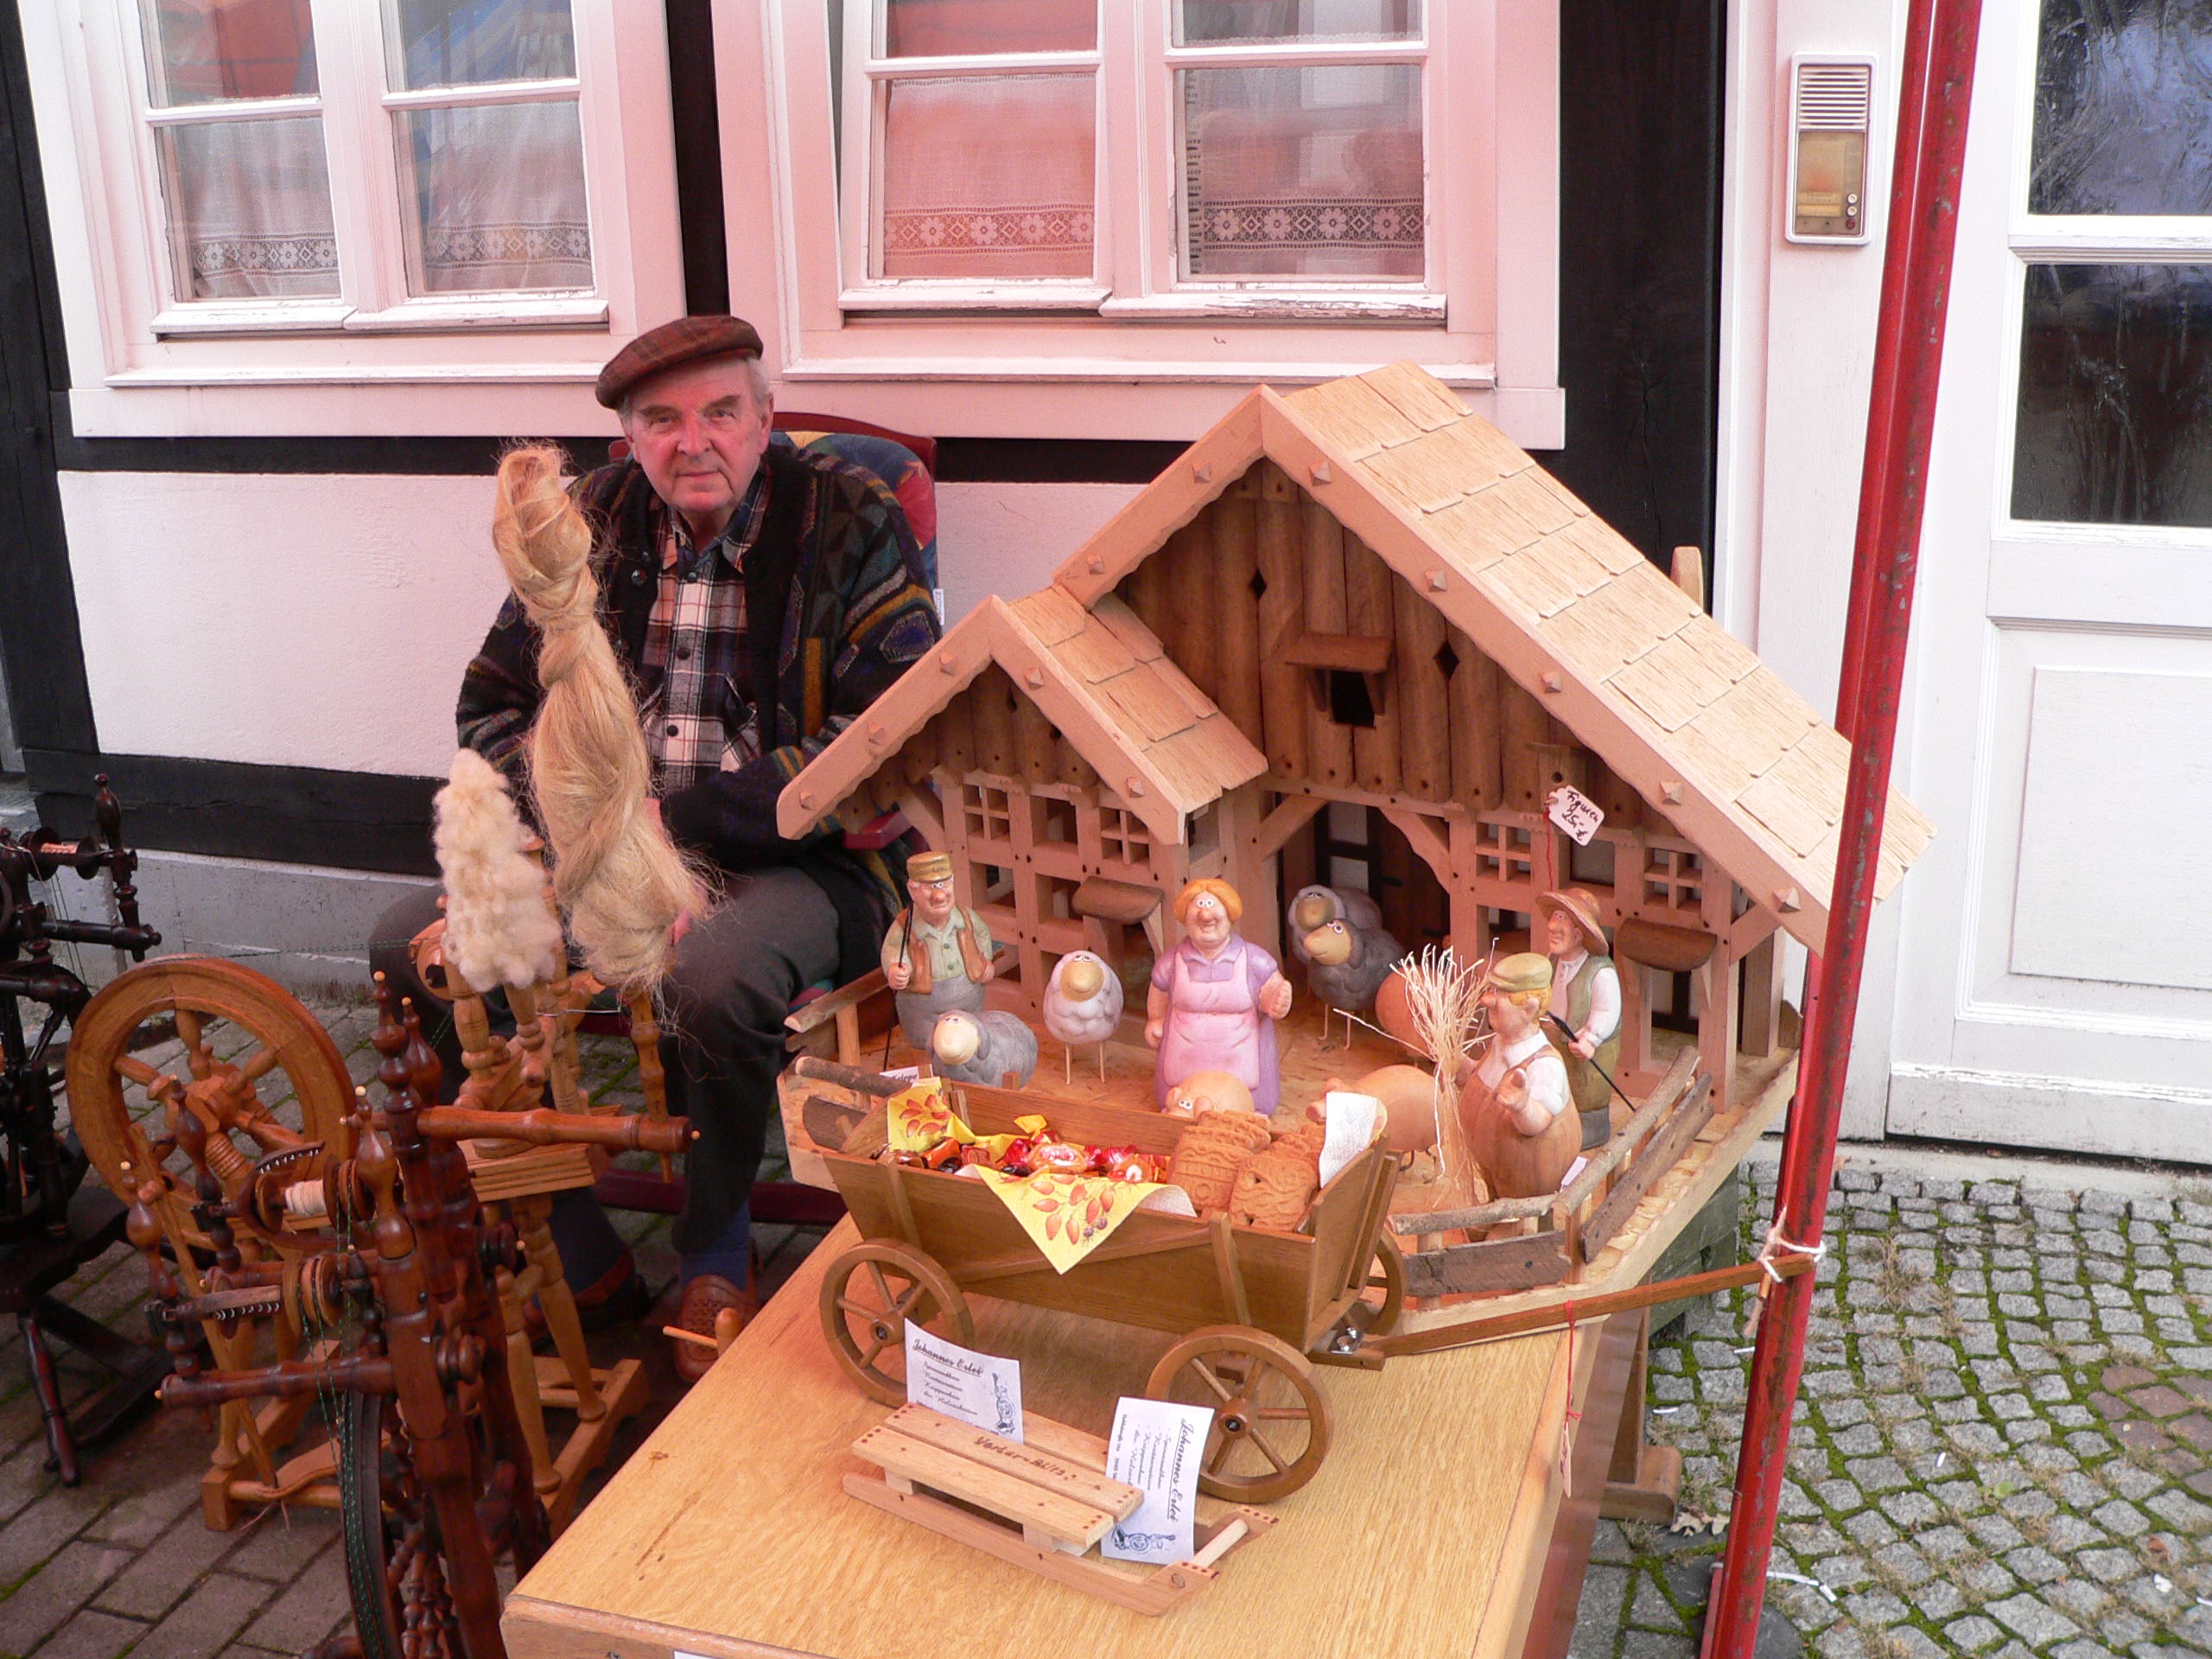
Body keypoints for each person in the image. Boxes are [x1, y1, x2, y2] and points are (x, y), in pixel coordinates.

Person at [372, 315, 939, 1382]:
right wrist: (591, 820)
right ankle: (576, 1240)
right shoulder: (592, 520)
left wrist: (673, 829)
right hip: (598, 843)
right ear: (630, 438)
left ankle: (714, 1244)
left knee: (712, 978)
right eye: (662, 421)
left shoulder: (852, 518)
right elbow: (489, 707)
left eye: (721, 412)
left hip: (794, 858)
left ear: (764, 419)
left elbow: (887, 734)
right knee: (412, 950)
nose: (694, 441)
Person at [1145, 879, 1293, 1116]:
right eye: (1198, 906)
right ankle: (1178, 1105)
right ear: (1185, 917)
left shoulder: (1252, 959)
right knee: (1179, 1094)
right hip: (1185, 1054)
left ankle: (1251, 1108)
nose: (1205, 915)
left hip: (1239, 1054)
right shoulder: (1173, 961)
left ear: (1229, 914)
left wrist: (1276, 999)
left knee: (1248, 1100)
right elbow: (1159, 989)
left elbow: (1270, 988)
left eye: (1212, 905)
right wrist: (1155, 1019)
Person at [1456, 951, 1580, 1198]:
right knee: (1495, 1195)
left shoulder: (1544, 1065)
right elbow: (1481, 1081)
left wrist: (1522, 1107)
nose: (1487, 1000)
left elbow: (1539, 1121)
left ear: (1528, 1008)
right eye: (1493, 991)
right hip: (1493, 1164)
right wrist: (1461, 1065)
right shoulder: (1499, 1044)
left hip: (1525, 1176)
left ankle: (1518, 1218)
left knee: (1517, 1205)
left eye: (1501, 995)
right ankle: (1495, 1208)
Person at [1536, 887, 1622, 1149]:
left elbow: (1607, 1011)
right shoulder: (1552, 961)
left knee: (1584, 1091)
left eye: (1561, 925)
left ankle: (1589, 1127)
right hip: (1554, 1041)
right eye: (1553, 924)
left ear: (1579, 933)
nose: (1553, 929)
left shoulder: (1600, 972)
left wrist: (1591, 1038)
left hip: (1584, 1049)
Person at [880, 850, 994, 1046]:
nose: (939, 896)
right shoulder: (904, 926)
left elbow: (982, 935)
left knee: (970, 1040)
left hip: (968, 1001)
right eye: (930, 887)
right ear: (913, 891)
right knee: (928, 1044)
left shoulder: (967, 918)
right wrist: (896, 970)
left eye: (944, 885)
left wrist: (986, 962)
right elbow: (892, 950)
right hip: (923, 1007)